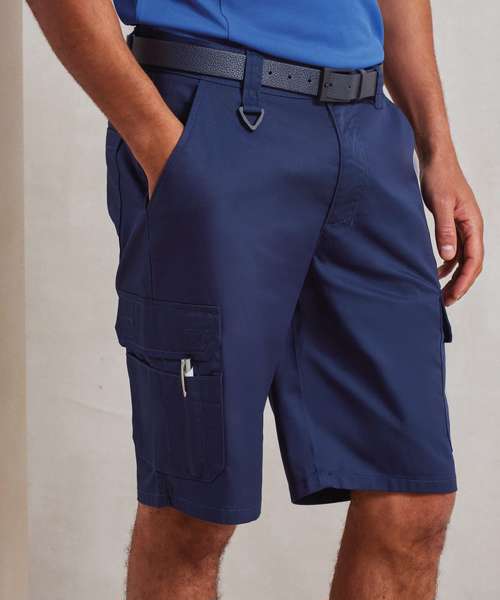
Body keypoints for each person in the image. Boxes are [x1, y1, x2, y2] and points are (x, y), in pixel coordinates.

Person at [26, 0, 484, 598]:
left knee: (412, 498)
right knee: (195, 511)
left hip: (367, 133)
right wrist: (159, 143)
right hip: (212, 106)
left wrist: (438, 149)